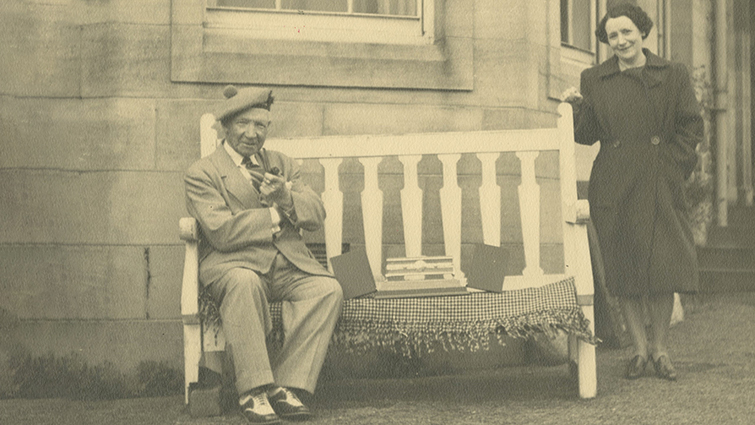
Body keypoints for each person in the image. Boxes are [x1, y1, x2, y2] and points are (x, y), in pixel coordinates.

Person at [184, 85, 343, 424]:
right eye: (243, 124)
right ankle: (253, 390)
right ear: (226, 127)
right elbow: (222, 232)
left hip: (284, 263)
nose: (252, 134)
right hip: (232, 264)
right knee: (244, 283)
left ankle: (285, 385)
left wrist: (286, 196)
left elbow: (315, 214)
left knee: (327, 290)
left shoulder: (281, 164)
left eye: (261, 126)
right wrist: (275, 215)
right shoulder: (203, 172)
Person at [563, 4, 703, 381]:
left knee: (662, 267)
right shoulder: (594, 78)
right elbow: (587, 133)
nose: (621, 41)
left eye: (627, 32)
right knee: (624, 270)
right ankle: (639, 352)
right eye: (613, 36)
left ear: (642, 31)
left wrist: (672, 167)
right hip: (615, 184)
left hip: (660, 181)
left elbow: (691, 126)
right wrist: (576, 109)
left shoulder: (672, 74)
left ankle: (660, 350)